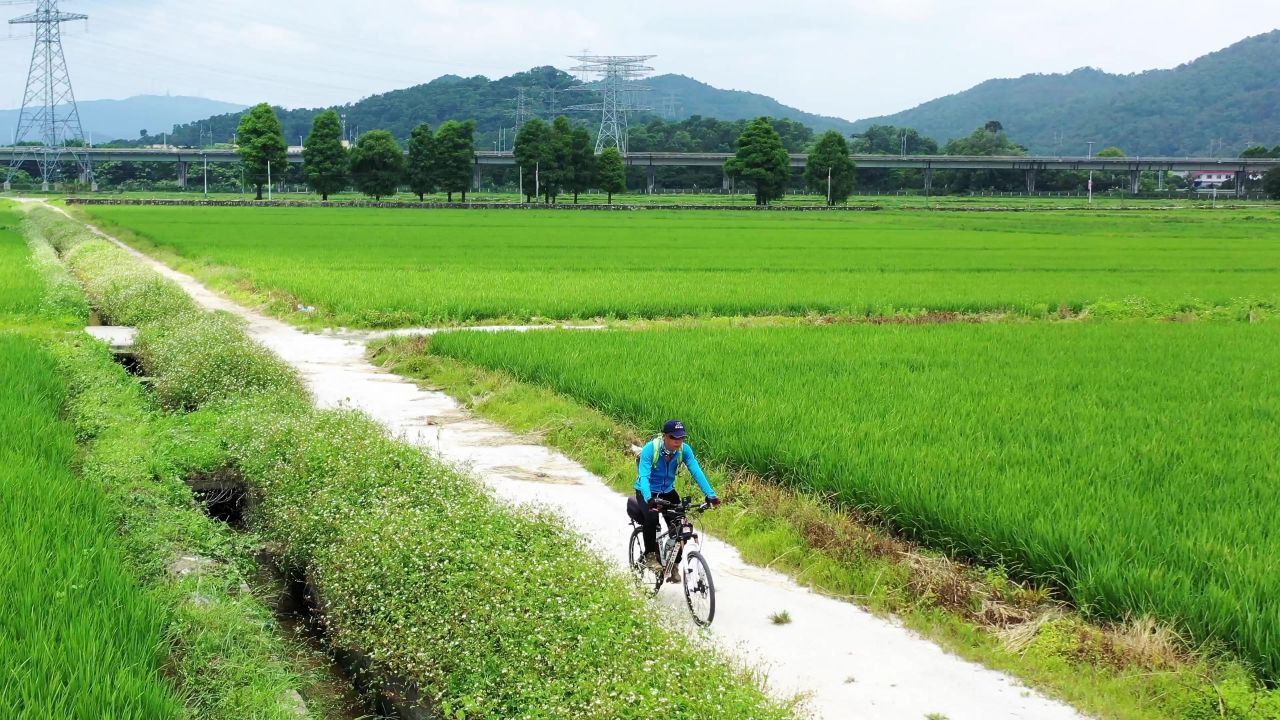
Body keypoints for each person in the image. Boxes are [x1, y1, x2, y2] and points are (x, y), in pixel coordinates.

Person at [634, 419, 720, 582]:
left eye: (681, 438)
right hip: (646, 491)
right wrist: (649, 499)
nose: (678, 442)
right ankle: (650, 556)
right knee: (652, 517)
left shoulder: (684, 451)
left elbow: (696, 471)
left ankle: (673, 565)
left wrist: (711, 495)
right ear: (665, 436)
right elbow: (644, 476)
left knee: (682, 527)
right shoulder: (650, 450)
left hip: (668, 492)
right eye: (674, 438)